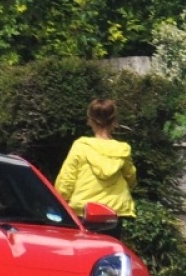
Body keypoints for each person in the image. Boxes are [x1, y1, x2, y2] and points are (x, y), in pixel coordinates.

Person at [55, 98, 136, 238]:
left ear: (90, 120)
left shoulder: (81, 146)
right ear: (114, 120)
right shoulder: (123, 150)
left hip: (84, 213)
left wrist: (60, 202)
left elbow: (66, 182)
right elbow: (131, 178)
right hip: (113, 214)